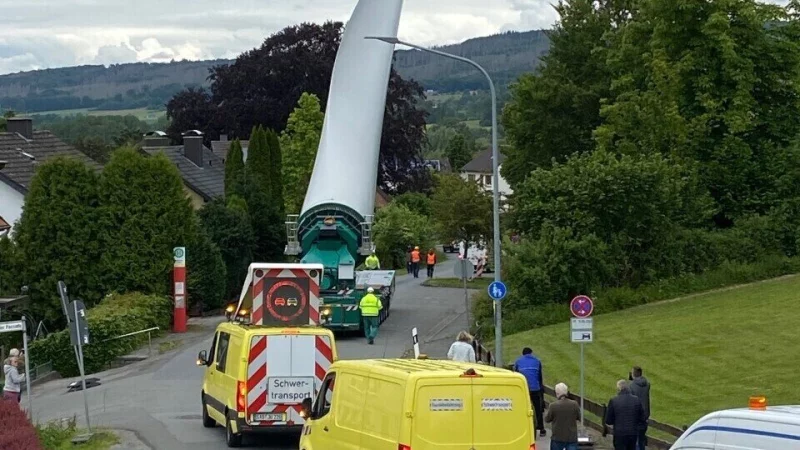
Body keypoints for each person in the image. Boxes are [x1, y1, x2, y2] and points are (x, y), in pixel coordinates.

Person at [604, 379, 647, 450]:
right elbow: (642, 417)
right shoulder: (636, 400)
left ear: (618, 389)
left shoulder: (614, 400)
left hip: (619, 434)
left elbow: (608, 420)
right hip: (632, 433)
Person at [514, 347, 546, 437]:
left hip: (524, 389)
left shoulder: (518, 361)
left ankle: (521, 427)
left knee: (521, 408)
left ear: (522, 354)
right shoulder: (537, 361)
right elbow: (540, 376)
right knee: (538, 408)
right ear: (531, 353)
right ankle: (541, 428)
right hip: (535, 388)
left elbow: (516, 375)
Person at [545, 382, 581, 450]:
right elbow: (579, 417)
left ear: (557, 393)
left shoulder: (553, 406)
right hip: (571, 437)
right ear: (566, 392)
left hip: (557, 438)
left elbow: (547, 419)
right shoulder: (574, 404)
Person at [629, 366, 651, 450]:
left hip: (636, 415)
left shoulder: (631, 385)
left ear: (635, 373)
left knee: (636, 440)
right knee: (641, 439)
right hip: (645, 414)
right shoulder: (647, 384)